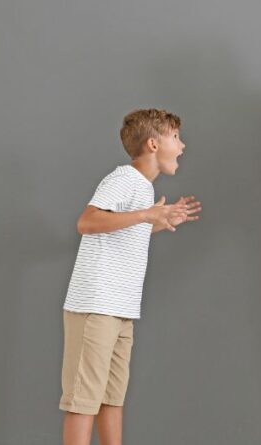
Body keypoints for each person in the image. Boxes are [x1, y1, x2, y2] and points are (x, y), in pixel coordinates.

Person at [60, 108, 202, 445]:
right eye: (175, 137)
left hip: (121, 309)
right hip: (96, 305)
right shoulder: (124, 178)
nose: (182, 145)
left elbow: (119, 231)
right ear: (153, 144)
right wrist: (146, 215)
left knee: (112, 399)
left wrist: (157, 222)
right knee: (84, 400)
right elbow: (87, 222)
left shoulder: (144, 188)